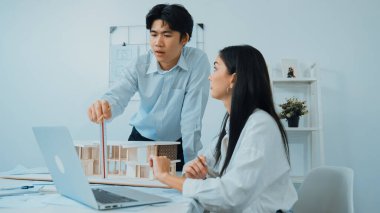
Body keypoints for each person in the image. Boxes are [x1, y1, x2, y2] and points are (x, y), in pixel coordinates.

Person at [150, 45, 298, 212]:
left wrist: (165, 176)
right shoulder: (233, 123)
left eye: (215, 68)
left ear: (233, 79)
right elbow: (204, 163)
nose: (209, 77)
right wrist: (195, 173)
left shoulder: (261, 125)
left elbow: (231, 195)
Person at [87, 4, 210, 170]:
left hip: (174, 142)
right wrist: (105, 106)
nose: (158, 43)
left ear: (184, 39)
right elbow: (118, 95)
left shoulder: (197, 61)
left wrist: (191, 164)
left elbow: (192, 117)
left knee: (174, 189)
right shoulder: (139, 64)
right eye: (153, 35)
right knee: (135, 188)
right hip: (142, 139)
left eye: (167, 35)